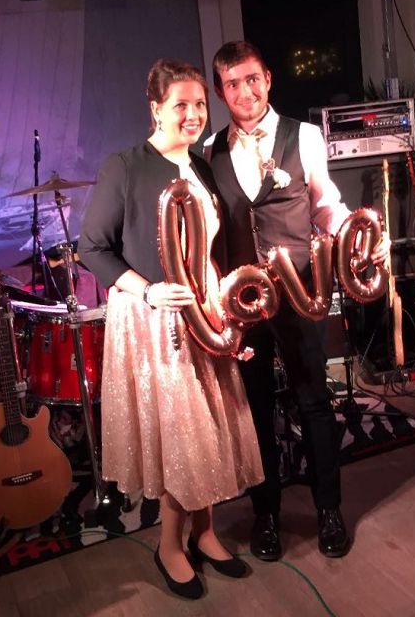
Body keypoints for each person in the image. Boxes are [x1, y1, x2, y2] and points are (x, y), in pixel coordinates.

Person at [78, 58, 264, 600]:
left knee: (208, 429)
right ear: (156, 108)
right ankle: (169, 546)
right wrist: (149, 291)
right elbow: (93, 248)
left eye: (200, 104)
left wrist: (226, 313)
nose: (193, 114)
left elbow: (208, 250)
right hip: (155, 319)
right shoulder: (125, 166)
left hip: (204, 310)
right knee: (184, 436)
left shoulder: (201, 167)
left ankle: (204, 534)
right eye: (180, 104)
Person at [204, 41, 390, 561]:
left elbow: (327, 206)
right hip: (242, 301)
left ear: (268, 78)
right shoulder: (208, 150)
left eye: (252, 79)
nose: (245, 91)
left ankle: (329, 510)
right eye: (233, 83)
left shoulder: (304, 136)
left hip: (302, 291)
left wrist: (363, 238)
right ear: (220, 91)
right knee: (254, 408)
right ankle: (266, 514)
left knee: (314, 402)